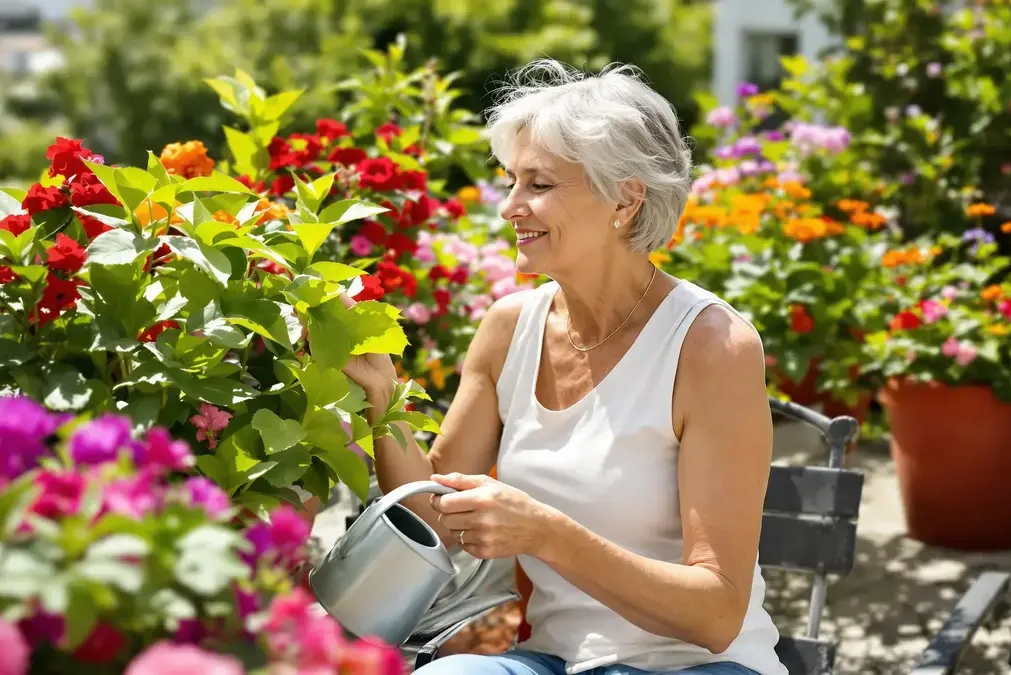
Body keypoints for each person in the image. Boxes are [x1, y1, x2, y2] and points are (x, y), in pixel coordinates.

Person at [338, 60, 788, 675]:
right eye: (511, 182)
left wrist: (546, 534)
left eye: (540, 185)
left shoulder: (712, 346)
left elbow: (717, 614)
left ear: (625, 197)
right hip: (558, 663)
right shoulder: (509, 329)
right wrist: (381, 393)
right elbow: (433, 516)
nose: (510, 208)